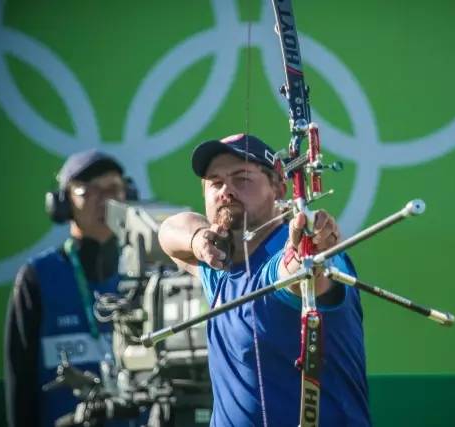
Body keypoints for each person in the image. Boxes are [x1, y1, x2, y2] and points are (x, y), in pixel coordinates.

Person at [158, 133, 371, 426]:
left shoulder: (288, 251)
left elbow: (297, 277)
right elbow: (169, 230)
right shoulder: (217, 261)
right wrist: (198, 241)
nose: (226, 191)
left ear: (279, 188)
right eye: (215, 182)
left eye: (241, 178)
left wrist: (309, 256)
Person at [4, 150, 129, 427]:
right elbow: (19, 381)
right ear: (63, 203)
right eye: (90, 191)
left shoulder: (147, 274)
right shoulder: (37, 277)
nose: (105, 200)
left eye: (113, 189)